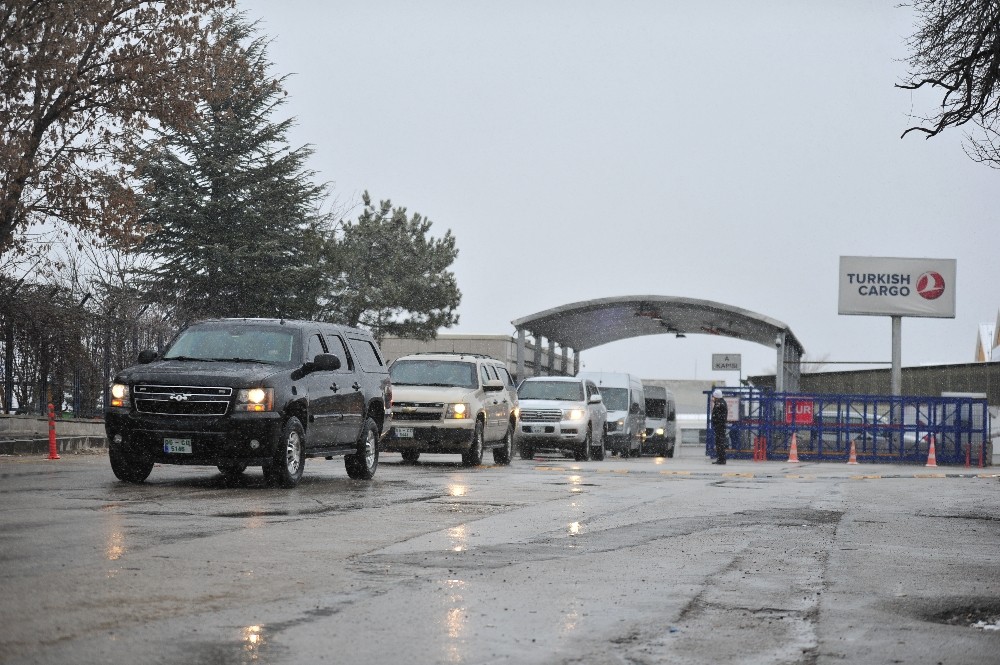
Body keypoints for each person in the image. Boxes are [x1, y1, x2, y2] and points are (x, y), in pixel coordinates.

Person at [710, 389, 728, 465]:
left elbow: (717, 415)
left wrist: (716, 422)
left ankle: (721, 459)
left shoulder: (719, 403)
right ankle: (720, 459)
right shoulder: (721, 402)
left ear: (716, 397)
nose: (713, 398)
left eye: (714, 397)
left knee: (719, 443)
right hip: (720, 426)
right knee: (720, 443)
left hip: (719, 426)